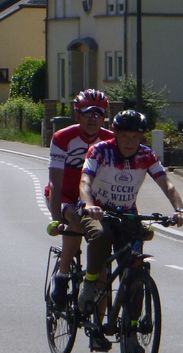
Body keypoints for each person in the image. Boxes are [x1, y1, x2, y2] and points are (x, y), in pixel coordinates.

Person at [78, 109, 183, 353]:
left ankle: (130, 333)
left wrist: (179, 210)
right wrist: (89, 204)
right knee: (101, 235)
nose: (129, 141)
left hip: (127, 216)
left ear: (141, 137)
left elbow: (167, 183)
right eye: (124, 136)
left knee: (136, 270)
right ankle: (91, 280)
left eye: (135, 136)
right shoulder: (100, 151)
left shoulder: (146, 155)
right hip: (99, 212)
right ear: (115, 134)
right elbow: (85, 181)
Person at [46, 89, 113, 308]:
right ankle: (62, 276)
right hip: (64, 195)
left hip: (94, 200)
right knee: (74, 221)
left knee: (104, 240)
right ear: (77, 115)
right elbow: (55, 183)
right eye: (87, 112)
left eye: (99, 113)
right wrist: (57, 219)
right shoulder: (63, 138)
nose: (93, 118)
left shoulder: (110, 140)